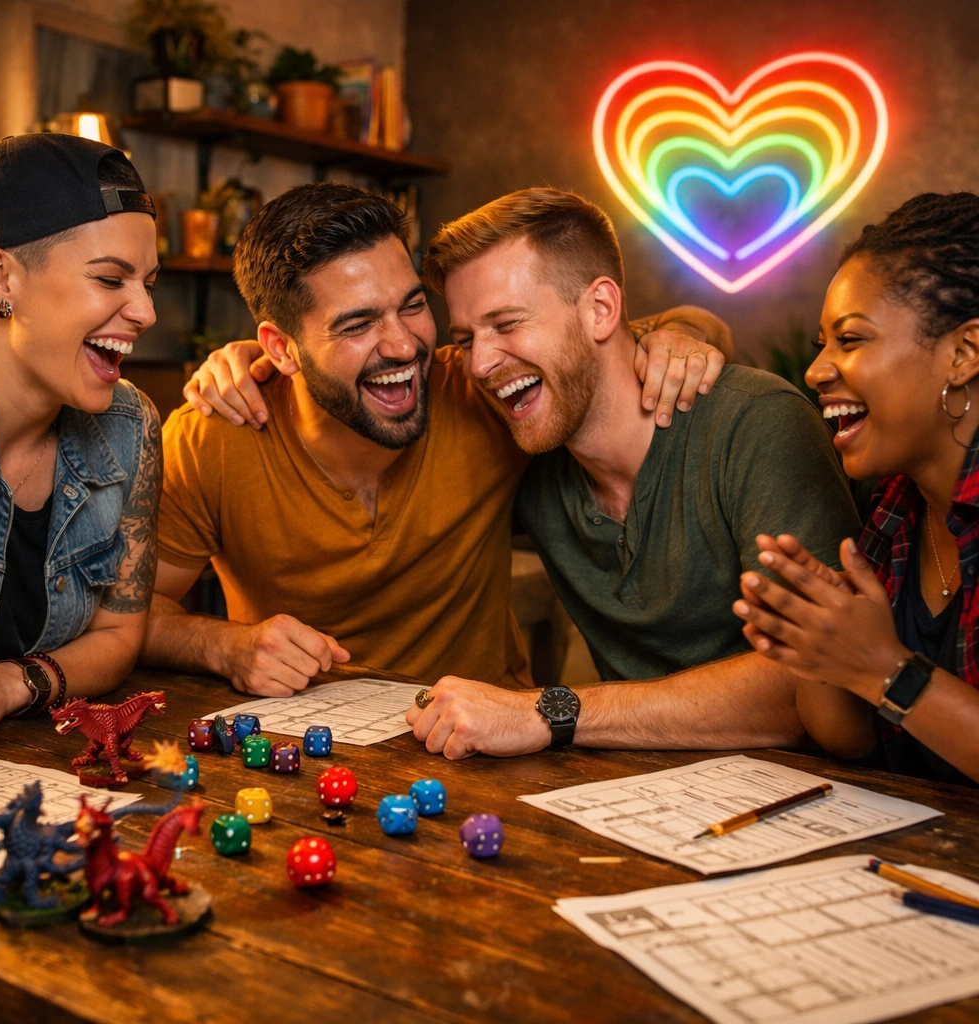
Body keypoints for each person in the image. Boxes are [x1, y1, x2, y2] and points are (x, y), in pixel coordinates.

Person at [140, 183, 727, 695]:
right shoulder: (214, 437)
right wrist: (226, 647)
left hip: (489, 750)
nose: (402, 345)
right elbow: (130, 619)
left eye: (413, 305)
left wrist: (683, 333)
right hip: (303, 754)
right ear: (279, 348)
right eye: (359, 323)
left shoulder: (483, 388)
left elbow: (617, 340)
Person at [404, 188, 861, 759]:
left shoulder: (756, 424)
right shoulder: (527, 449)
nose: (479, 363)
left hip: (808, 801)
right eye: (467, 339)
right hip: (630, 800)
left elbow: (818, 683)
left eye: (507, 323)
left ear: (600, 309)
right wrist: (261, 365)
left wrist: (548, 711)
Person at [733, 192, 979, 785]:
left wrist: (884, 668)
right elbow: (850, 740)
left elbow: (886, 681)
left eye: (850, 339)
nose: (817, 370)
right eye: (822, 344)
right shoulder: (897, 507)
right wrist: (817, 647)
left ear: (964, 354)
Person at [0, 134, 162, 744]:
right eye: (109, 279)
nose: (146, 312)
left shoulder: (132, 426)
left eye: (149, 282)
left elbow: (119, 636)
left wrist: (6, 685)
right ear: (0, 277)